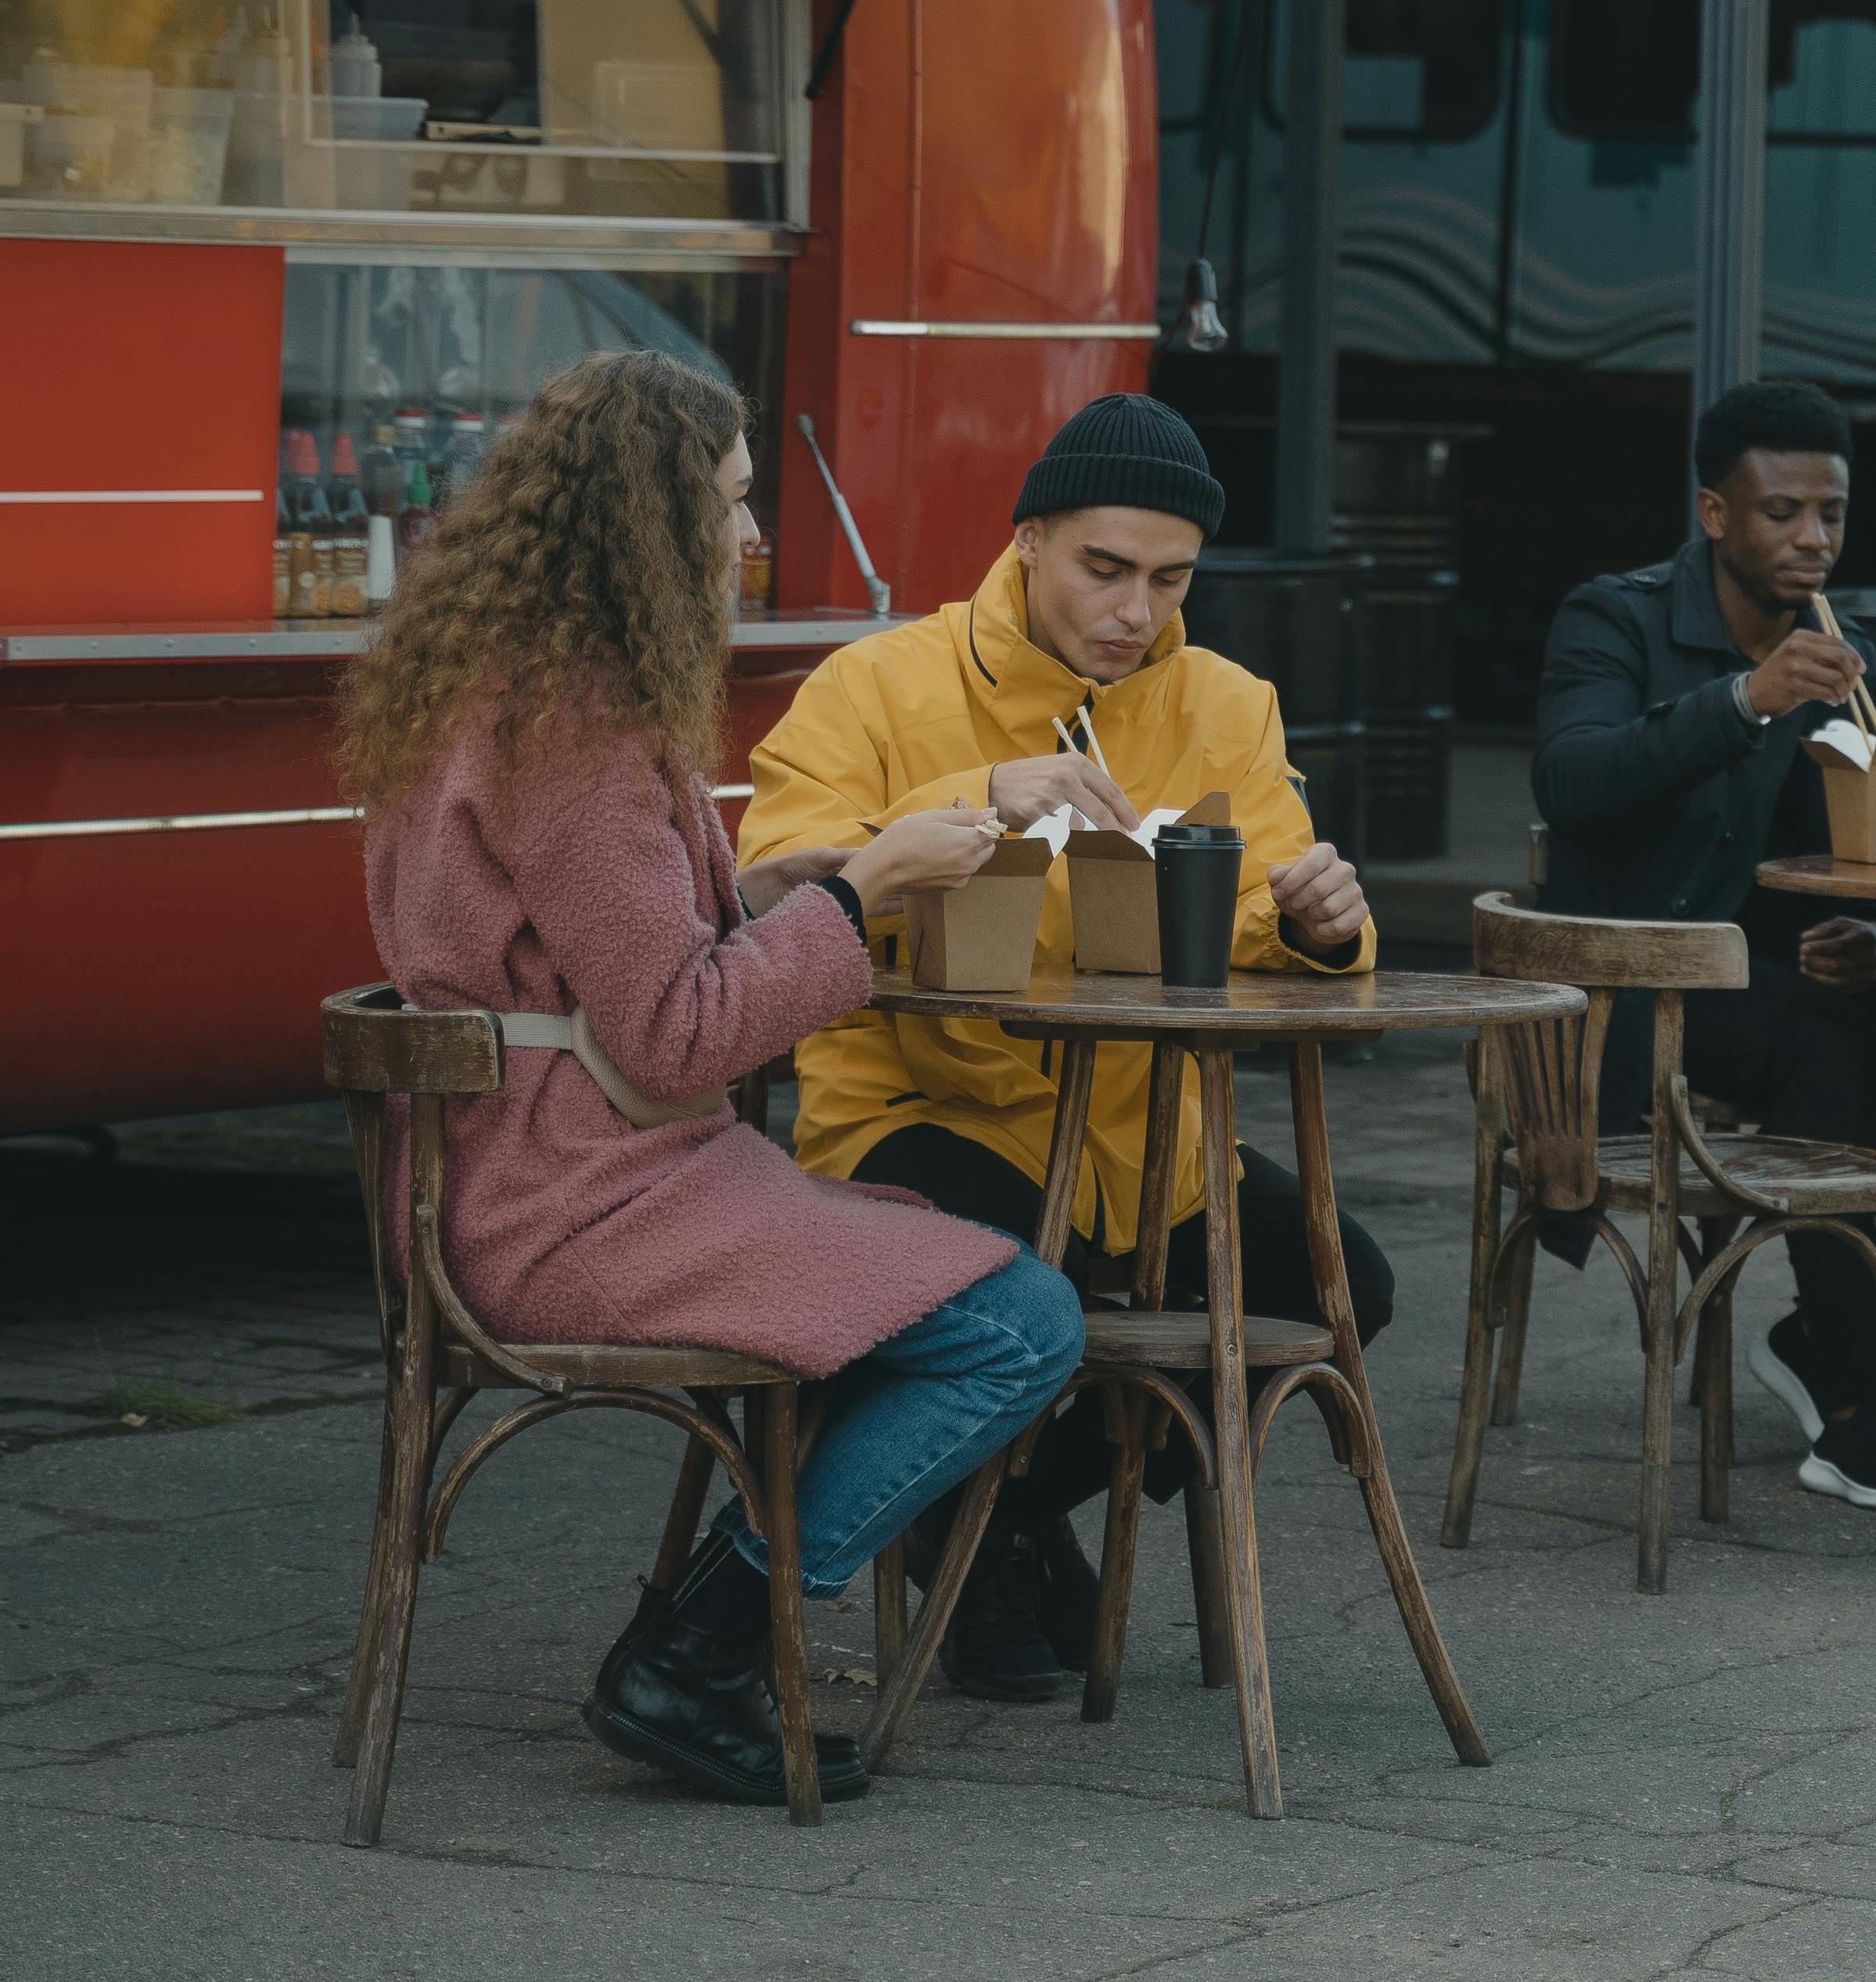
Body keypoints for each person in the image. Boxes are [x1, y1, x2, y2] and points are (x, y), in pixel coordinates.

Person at [345, 347, 1085, 1811]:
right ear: (645, 522)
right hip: (572, 1207)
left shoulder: (514, 688)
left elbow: (610, 961)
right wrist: (865, 888)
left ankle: (730, 1630)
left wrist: (810, 877)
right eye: (733, 502)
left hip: (531, 1176)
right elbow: (676, 1037)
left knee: (932, 1284)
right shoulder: (576, 728)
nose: (755, 536)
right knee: (1022, 1322)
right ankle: (699, 1648)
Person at [739, 390, 1385, 1702]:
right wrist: (974, 793)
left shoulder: (1225, 702)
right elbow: (768, 891)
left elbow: (1257, 907)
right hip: (920, 1111)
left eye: (1168, 578)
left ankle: (980, 1516)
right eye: (1104, 567)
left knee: (1335, 1295)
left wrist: (1319, 922)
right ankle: (971, 1521)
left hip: (1150, 1141)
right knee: (1028, 1296)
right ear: (1027, 538)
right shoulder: (879, 680)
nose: (1135, 610)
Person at [1533, 376, 1876, 1520]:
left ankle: (1838, 1314)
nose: (1810, 537)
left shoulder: (1842, 646)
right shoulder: (1612, 618)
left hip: (1767, 969)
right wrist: (1741, 700)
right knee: (1828, 1049)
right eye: (1779, 513)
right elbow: (1570, 784)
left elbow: (1869, 853)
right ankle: (1860, 1402)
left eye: (1830, 513)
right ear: (1714, 513)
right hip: (1631, 983)